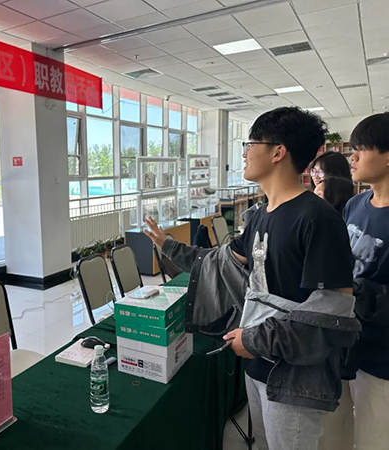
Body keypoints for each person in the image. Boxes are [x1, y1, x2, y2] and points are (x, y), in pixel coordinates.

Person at [144, 107, 359, 450]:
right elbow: (219, 262)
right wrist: (167, 245)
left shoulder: (318, 219)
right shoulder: (260, 216)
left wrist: (256, 339)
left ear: (278, 152)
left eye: (251, 143)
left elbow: (333, 312)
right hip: (257, 365)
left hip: (294, 377)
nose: (244, 153)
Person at [318, 113, 389, 450]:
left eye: (362, 149)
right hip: (343, 341)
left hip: (381, 355)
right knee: (336, 432)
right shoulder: (356, 205)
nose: (353, 157)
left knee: (374, 437)